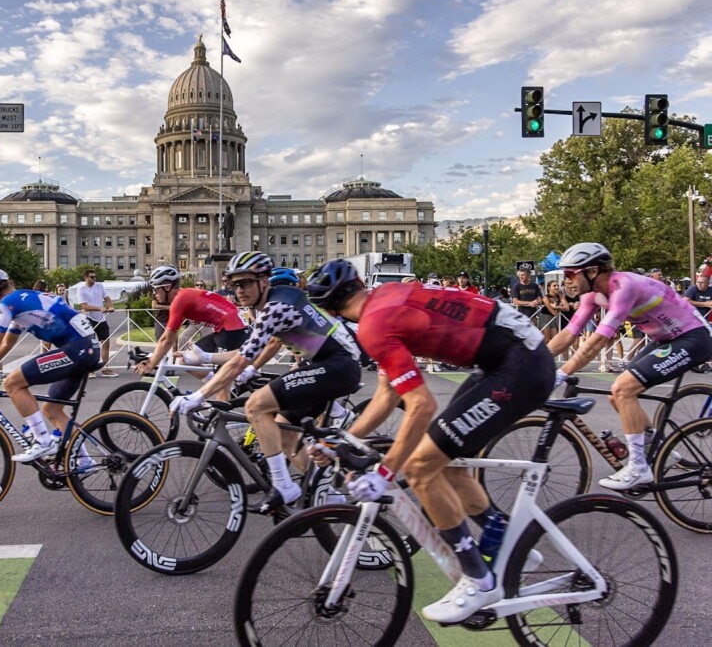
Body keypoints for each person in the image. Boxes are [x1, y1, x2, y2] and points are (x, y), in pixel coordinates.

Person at [305, 259, 554, 623]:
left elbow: (421, 406)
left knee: (420, 468)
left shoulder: (372, 326)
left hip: (518, 366)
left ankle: (479, 581)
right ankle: (505, 540)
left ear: (329, 311)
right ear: (359, 283)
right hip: (510, 359)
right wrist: (343, 438)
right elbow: (388, 395)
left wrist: (384, 474)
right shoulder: (385, 298)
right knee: (446, 461)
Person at [169, 252, 363, 512]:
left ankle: (283, 486)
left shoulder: (275, 307)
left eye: (245, 283)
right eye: (234, 284)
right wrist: (206, 357)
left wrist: (197, 396)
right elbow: (255, 349)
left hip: (338, 366)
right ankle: (329, 497)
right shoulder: (276, 301)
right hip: (329, 365)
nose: (239, 290)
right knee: (285, 434)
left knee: (256, 405)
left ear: (263, 281)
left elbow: (240, 361)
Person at [548, 242, 712, 489]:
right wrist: (535, 360)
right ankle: (660, 450)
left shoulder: (624, 286)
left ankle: (638, 467)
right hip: (664, 339)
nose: (566, 280)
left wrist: (560, 374)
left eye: (571, 273)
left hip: (692, 338)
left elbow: (597, 342)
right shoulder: (591, 295)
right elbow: (569, 333)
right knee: (616, 394)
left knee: (624, 389)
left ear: (592, 271)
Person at [0, 269, 101, 463]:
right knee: (52, 409)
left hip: (77, 349)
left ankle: (42, 441)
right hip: (85, 348)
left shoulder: (8, 303)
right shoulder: (22, 300)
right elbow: (5, 346)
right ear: (11, 283)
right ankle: (84, 461)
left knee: (12, 383)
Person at [133, 266, 248, 391]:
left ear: (167, 287)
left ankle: (221, 393)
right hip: (224, 328)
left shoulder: (179, 300)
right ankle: (218, 387)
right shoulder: (184, 296)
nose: (154, 294)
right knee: (185, 359)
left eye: (155, 289)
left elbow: (167, 339)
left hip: (231, 329)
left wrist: (151, 363)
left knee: (221, 382)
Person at [75, 269, 117, 377]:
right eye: (92, 277)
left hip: (101, 319)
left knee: (106, 343)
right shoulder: (81, 289)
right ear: (86, 278)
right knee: (91, 345)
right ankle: (90, 370)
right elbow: (84, 306)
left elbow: (107, 298)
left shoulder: (99, 286)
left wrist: (110, 306)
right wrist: (99, 308)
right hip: (88, 318)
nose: (94, 279)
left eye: (95, 277)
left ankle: (105, 368)